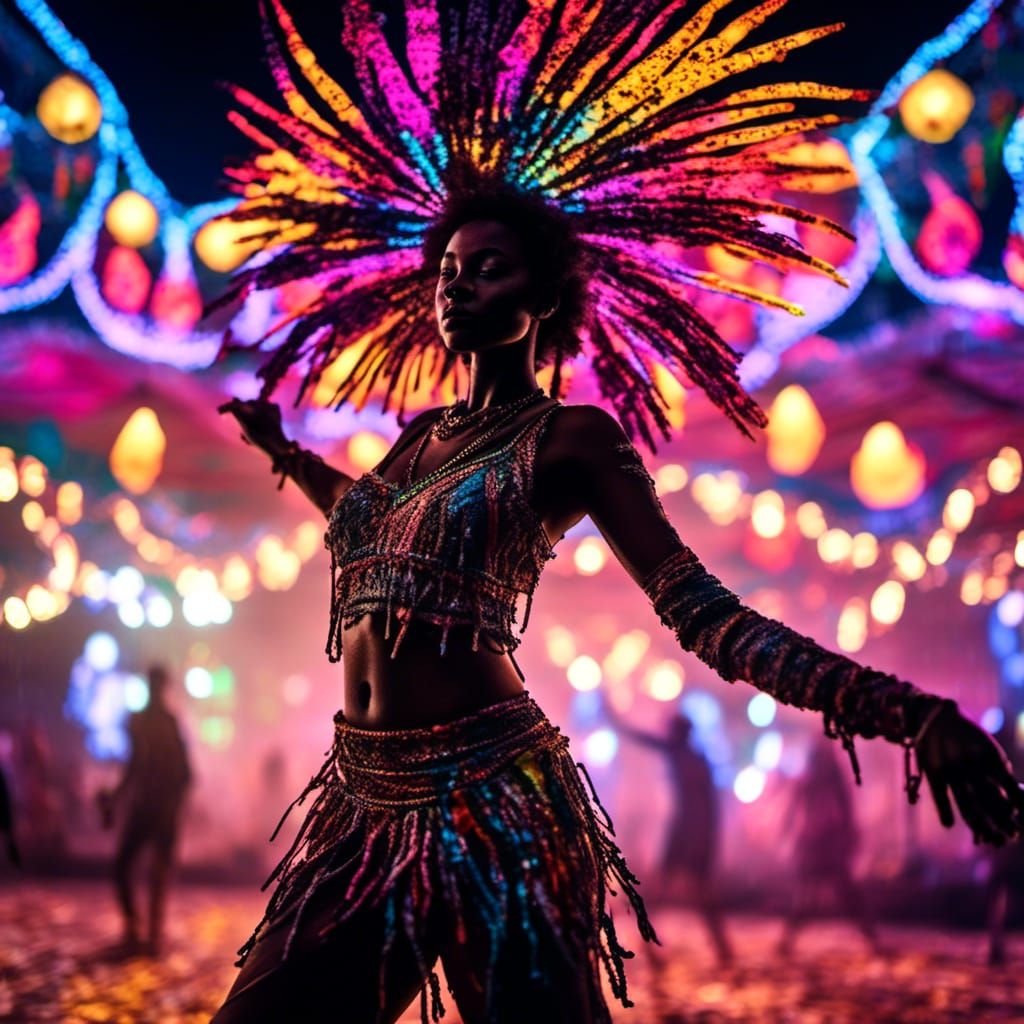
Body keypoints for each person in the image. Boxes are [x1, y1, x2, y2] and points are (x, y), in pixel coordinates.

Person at [210, 3, 1024, 1022]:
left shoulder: (572, 441)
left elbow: (707, 617)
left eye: (489, 268)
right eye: (448, 272)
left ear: (548, 294)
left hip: (491, 810)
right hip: (358, 807)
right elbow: (366, 523)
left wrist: (909, 713)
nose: (458, 288)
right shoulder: (418, 441)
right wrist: (287, 455)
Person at [607, 707, 733, 965]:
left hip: (690, 831)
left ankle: (716, 949)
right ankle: (719, 949)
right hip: (691, 830)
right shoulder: (692, 757)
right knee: (683, 890)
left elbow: (706, 804)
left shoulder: (685, 757)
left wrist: (613, 717)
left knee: (682, 890)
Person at [98, 664, 191, 955]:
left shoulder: (163, 723)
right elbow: (137, 765)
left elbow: (182, 771)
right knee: (131, 865)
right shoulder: (148, 722)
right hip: (151, 805)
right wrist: (116, 798)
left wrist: (173, 805)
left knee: (154, 869)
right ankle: (140, 928)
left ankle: (150, 932)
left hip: (160, 806)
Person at [776, 737, 880, 956]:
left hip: (829, 846)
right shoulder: (808, 781)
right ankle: (786, 942)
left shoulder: (834, 781)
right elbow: (793, 811)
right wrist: (787, 831)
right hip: (815, 846)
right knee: (807, 897)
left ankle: (871, 939)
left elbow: (847, 814)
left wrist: (848, 838)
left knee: (846, 896)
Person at [986, 715, 1024, 965]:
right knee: (1002, 885)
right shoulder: (1012, 761)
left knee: (1001, 886)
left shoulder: (993, 761)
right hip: (1009, 834)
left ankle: (996, 943)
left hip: (1006, 834)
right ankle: (996, 943)